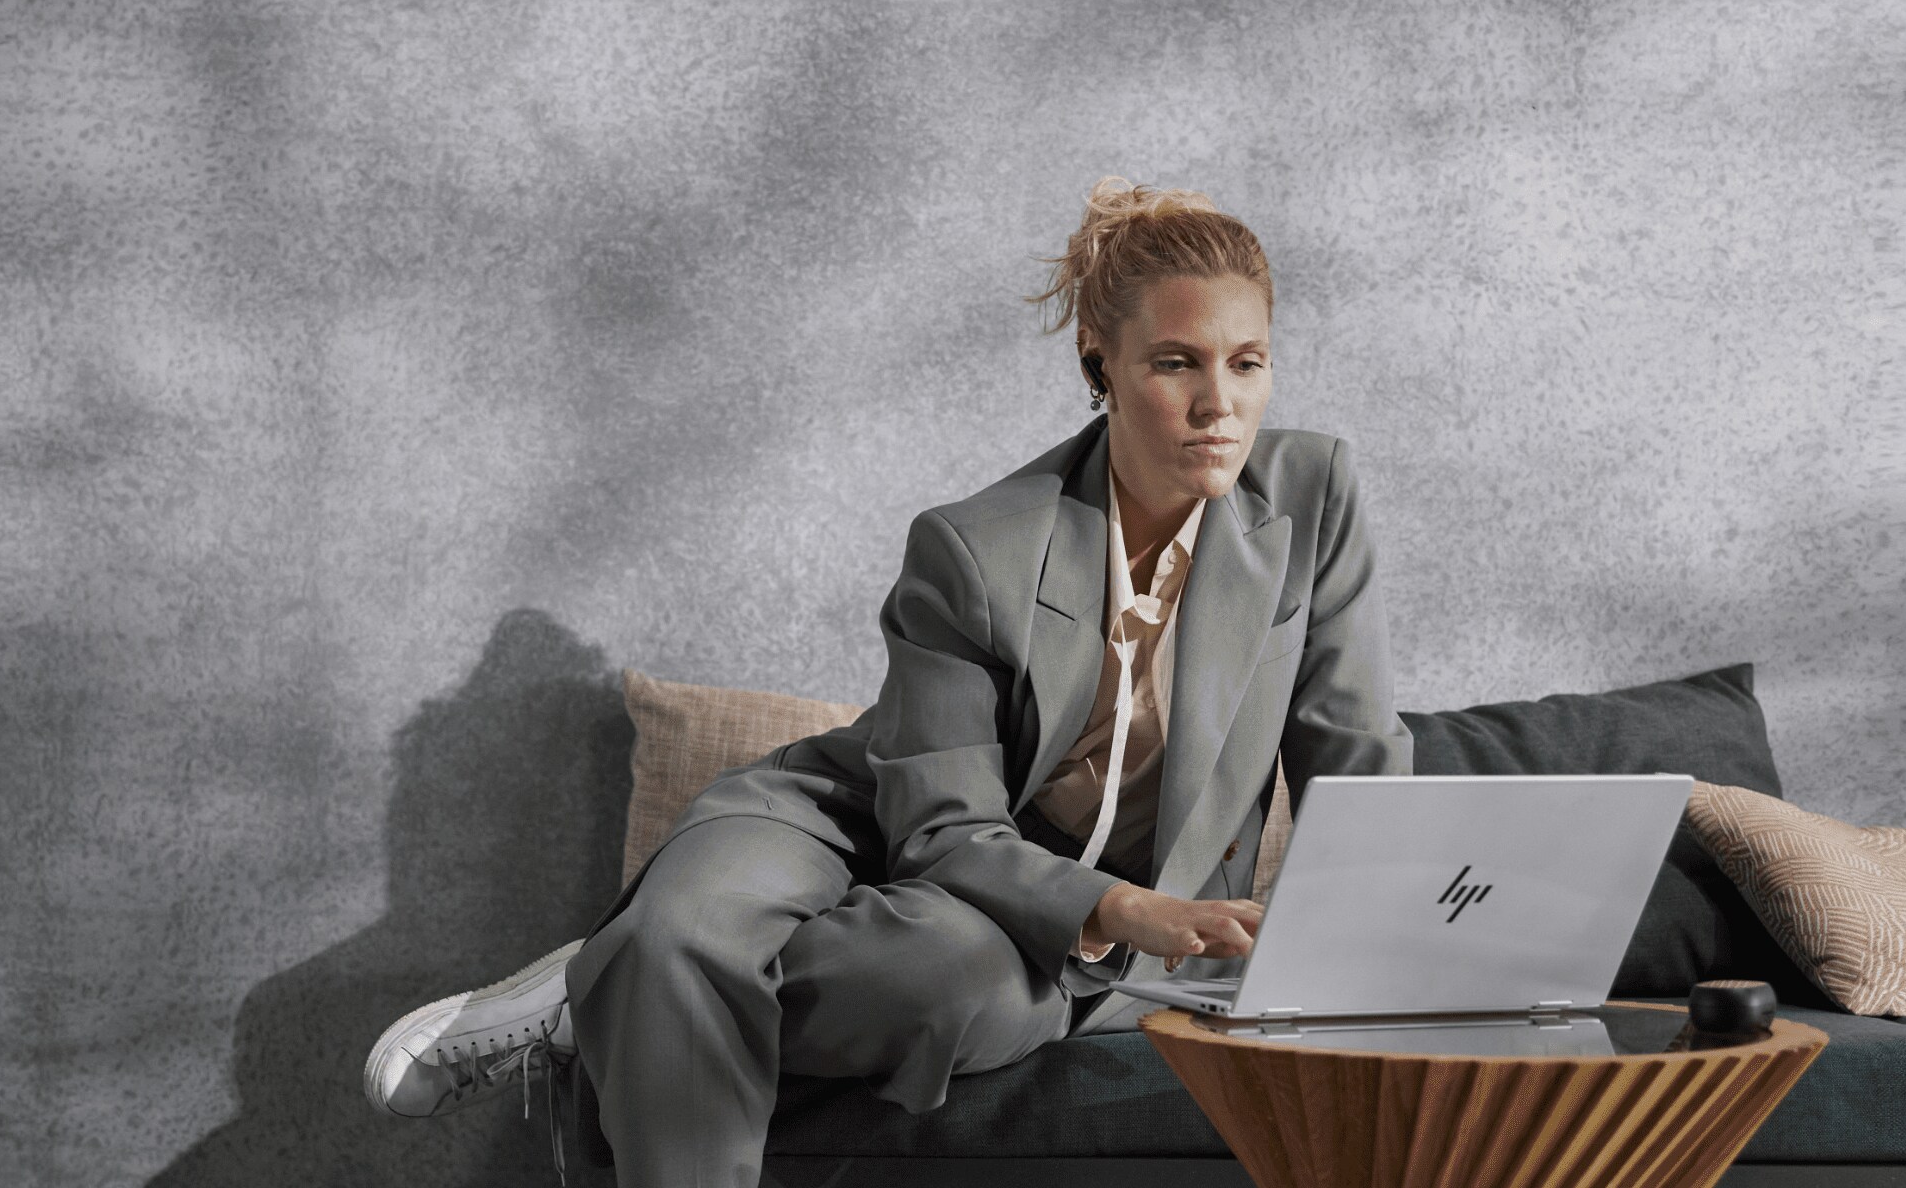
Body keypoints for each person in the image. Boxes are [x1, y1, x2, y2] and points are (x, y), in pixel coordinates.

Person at [361, 178, 1410, 1187]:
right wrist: (1130, 907)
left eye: (1248, 363)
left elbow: (1355, 761)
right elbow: (944, 829)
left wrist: (1405, 923)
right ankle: (650, 961)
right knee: (689, 932)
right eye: (1176, 363)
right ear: (1103, 358)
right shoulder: (977, 545)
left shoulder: (1311, 500)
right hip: (858, 815)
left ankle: (609, 987)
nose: (1219, 405)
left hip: (1022, 917)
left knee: (943, 992)